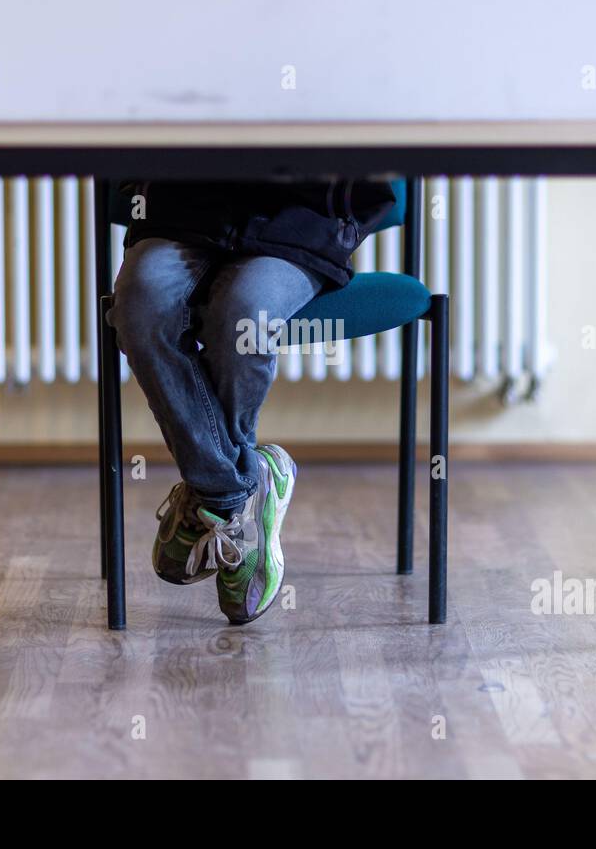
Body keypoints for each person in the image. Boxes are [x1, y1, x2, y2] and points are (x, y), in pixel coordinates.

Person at [108, 179, 395, 624]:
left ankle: (214, 498)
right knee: (140, 309)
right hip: (183, 211)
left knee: (243, 317)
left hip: (301, 221)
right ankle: (238, 492)